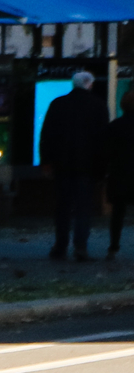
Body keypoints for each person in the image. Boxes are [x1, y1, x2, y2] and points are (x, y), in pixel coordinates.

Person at [40, 68, 105, 262]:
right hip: (86, 166)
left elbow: (47, 135)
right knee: (83, 208)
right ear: (89, 84)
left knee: (62, 207)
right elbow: (101, 140)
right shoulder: (98, 106)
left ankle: (60, 246)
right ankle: (80, 246)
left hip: (62, 165)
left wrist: (46, 161)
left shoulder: (58, 104)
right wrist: (101, 169)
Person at [104, 86, 134, 260]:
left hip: (120, 175)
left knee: (118, 213)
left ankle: (114, 247)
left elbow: (106, 151)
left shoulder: (115, 126)